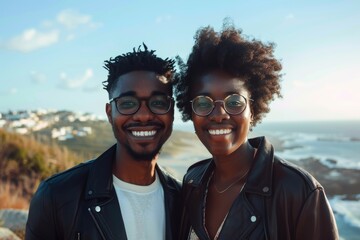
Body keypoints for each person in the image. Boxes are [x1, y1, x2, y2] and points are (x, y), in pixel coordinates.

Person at [174, 24, 339, 239]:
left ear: (253, 111)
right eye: (203, 103)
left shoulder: (298, 190)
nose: (219, 114)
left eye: (234, 102)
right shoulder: (192, 182)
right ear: (191, 113)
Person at [26, 44, 181, 240]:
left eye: (158, 102)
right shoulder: (57, 196)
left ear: (172, 111)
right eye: (127, 104)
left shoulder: (184, 199)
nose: (143, 115)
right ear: (110, 113)